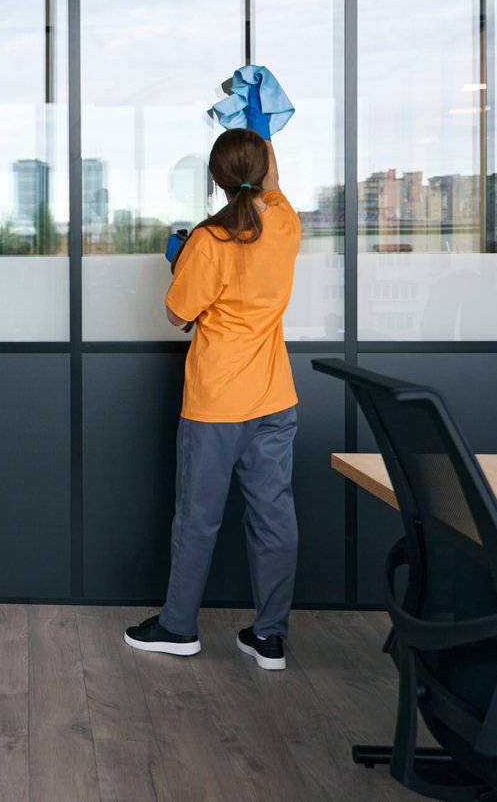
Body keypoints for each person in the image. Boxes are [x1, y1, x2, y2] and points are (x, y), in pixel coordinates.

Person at [125, 127, 300, 669]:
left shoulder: (209, 242)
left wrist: (179, 260)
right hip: (274, 399)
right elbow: (271, 183)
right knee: (274, 519)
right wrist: (264, 133)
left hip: (216, 404)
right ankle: (269, 636)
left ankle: (178, 627)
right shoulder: (286, 223)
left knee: (198, 518)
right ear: (264, 170)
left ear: (217, 180)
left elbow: (178, 314)